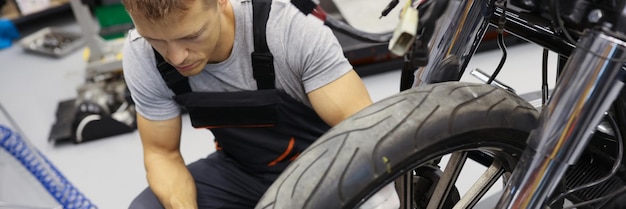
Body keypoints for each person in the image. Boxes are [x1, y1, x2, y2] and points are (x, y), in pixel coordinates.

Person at [121, 0, 399, 208]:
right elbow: (162, 154)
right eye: (156, 40)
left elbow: (366, 134)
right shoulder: (142, 55)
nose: (177, 57)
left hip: (333, 168)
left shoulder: (287, 30)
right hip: (245, 173)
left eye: (191, 36)